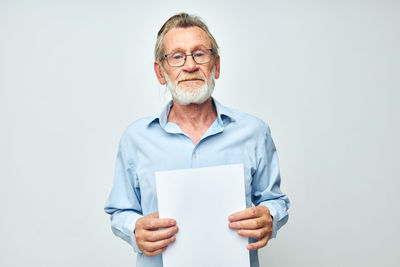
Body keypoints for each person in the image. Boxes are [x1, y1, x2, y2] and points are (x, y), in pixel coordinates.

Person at [104, 13, 289, 267]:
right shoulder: (135, 139)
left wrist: (270, 216)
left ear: (217, 65)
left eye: (200, 54)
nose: (190, 66)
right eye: (177, 57)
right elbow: (119, 210)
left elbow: (275, 200)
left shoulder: (254, 132)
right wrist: (135, 229)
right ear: (160, 71)